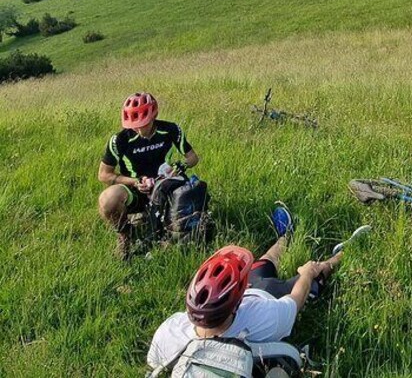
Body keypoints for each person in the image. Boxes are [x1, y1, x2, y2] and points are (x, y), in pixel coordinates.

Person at [147, 204, 356, 370]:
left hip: (253, 293)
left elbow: (154, 362)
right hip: (271, 294)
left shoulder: (169, 333)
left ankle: (286, 236)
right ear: (239, 299)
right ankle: (341, 255)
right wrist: (307, 273)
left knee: (263, 263)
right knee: (310, 276)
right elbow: (295, 301)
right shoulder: (262, 317)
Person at [97, 92, 199, 259]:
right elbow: (103, 174)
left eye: (142, 123)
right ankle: (125, 236)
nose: (138, 128)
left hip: (165, 186)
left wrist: (179, 166)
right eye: (133, 124)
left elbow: (193, 158)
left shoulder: (170, 130)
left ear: (154, 115)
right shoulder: (119, 140)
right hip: (135, 190)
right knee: (108, 199)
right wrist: (135, 182)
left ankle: (171, 231)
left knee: (190, 195)